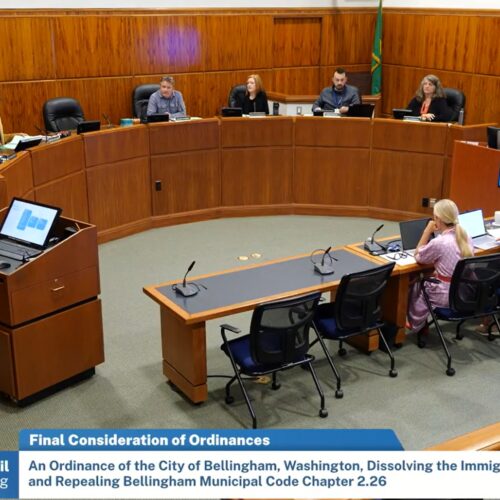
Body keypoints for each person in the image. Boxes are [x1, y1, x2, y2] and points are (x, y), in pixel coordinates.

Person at [407, 199, 474, 335]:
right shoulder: (466, 236)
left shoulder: (439, 242)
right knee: (429, 275)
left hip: (445, 296)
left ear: (437, 218)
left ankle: (416, 322)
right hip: (463, 293)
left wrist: (427, 231)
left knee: (415, 281)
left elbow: (418, 256)